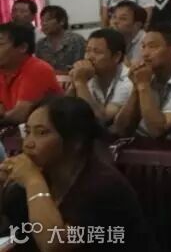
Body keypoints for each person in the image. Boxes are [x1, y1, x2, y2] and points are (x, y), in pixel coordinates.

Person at [0, 96, 155, 251]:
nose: (28, 143)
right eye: (27, 132)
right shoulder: (33, 181)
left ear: (76, 142)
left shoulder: (104, 186)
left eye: (41, 133)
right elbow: (10, 231)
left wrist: (33, 181)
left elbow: (54, 244)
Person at [66, 28, 133, 125]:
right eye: (87, 51)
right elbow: (64, 112)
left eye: (97, 52)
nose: (89, 57)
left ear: (116, 56)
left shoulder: (128, 81)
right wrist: (74, 83)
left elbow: (102, 119)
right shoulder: (88, 73)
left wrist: (80, 83)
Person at [0, 23, 63, 125]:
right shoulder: (4, 70)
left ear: (23, 47)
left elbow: (20, 115)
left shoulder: (38, 69)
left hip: (44, 130)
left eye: (0, 44)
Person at [34, 6, 85, 73]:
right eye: (42, 20)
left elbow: (81, 68)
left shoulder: (76, 40)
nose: (44, 23)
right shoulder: (40, 44)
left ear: (62, 21)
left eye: (48, 20)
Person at [110, 2, 147, 66]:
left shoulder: (146, 42)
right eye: (114, 17)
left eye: (123, 18)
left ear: (137, 25)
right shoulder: (112, 39)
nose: (115, 22)